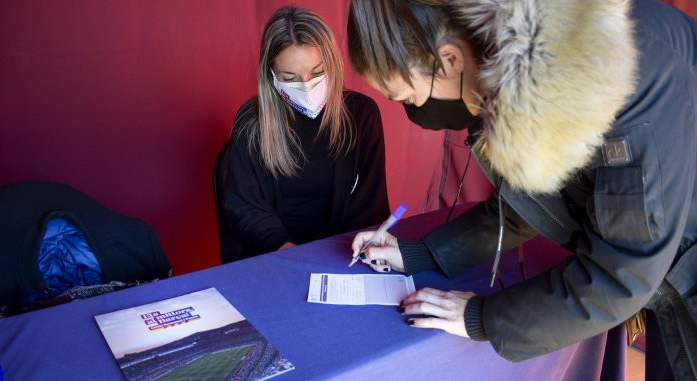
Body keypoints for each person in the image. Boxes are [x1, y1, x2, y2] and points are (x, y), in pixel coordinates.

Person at [347, 0, 696, 378]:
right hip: (664, 271)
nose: (413, 111)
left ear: (449, 60)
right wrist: (418, 254)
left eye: (407, 98)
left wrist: (482, 318)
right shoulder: (505, 71)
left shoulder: (628, 77)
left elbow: (623, 272)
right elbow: (529, 205)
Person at [220, 6, 389, 263]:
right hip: (275, 256)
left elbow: (370, 203)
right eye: (290, 77)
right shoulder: (252, 120)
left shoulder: (361, 114)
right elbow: (244, 206)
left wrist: (346, 252)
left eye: (318, 72)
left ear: (333, 64)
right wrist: (288, 252)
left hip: (344, 254)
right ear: (271, 75)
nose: (307, 85)